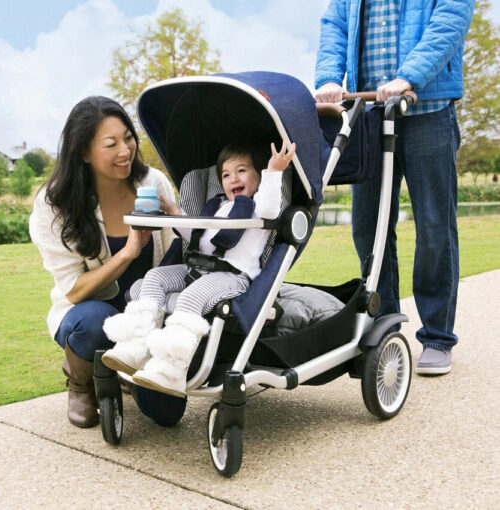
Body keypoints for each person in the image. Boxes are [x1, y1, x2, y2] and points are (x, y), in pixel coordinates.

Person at [314, 0, 475, 375]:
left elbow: (450, 20)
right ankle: (383, 328)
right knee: (368, 229)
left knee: (435, 228)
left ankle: (437, 336)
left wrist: (408, 77)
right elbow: (335, 27)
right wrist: (328, 78)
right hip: (368, 115)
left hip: (427, 109)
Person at [102, 140, 296, 397]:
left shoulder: (258, 206)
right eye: (226, 175)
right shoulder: (218, 206)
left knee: (191, 296)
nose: (232, 179)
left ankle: (172, 369)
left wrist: (273, 171)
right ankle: (136, 345)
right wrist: (172, 210)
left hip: (231, 276)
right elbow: (195, 236)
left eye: (241, 171)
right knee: (153, 278)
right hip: (198, 267)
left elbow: (272, 204)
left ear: (257, 177)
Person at [29, 96, 176, 427]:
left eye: (128, 138)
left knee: (167, 414)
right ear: (83, 152)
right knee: (94, 321)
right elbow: (74, 291)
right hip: (90, 312)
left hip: (147, 312)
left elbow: (173, 254)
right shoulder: (55, 204)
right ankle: (81, 384)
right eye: (111, 144)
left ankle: (124, 369)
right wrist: (127, 253)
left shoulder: (152, 184)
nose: (125, 151)